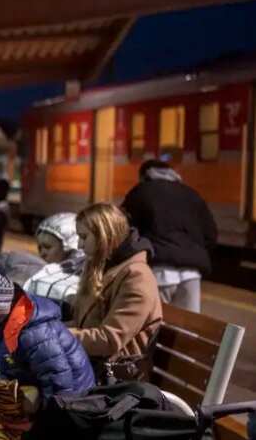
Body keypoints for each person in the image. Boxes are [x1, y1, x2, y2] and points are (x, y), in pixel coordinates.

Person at [71, 202, 163, 382]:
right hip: (93, 365)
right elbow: (81, 324)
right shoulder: (102, 266)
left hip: (117, 377)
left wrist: (57, 335)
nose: (79, 245)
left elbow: (110, 340)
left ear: (105, 236)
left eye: (84, 237)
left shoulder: (136, 276)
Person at [0, 272, 94, 398]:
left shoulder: (35, 334)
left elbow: (59, 383)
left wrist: (41, 412)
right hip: (42, 392)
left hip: (74, 402)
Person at [122, 160, 217, 312]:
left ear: (144, 176)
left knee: (155, 326)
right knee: (187, 329)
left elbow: (123, 230)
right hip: (191, 273)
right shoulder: (192, 194)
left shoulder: (140, 192)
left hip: (157, 270)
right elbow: (210, 235)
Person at [23, 213, 85, 320]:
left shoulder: (81, 282)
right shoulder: (39, 272)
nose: (42, 253)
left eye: (47, 247)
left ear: (70, 247)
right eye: (39, 247)